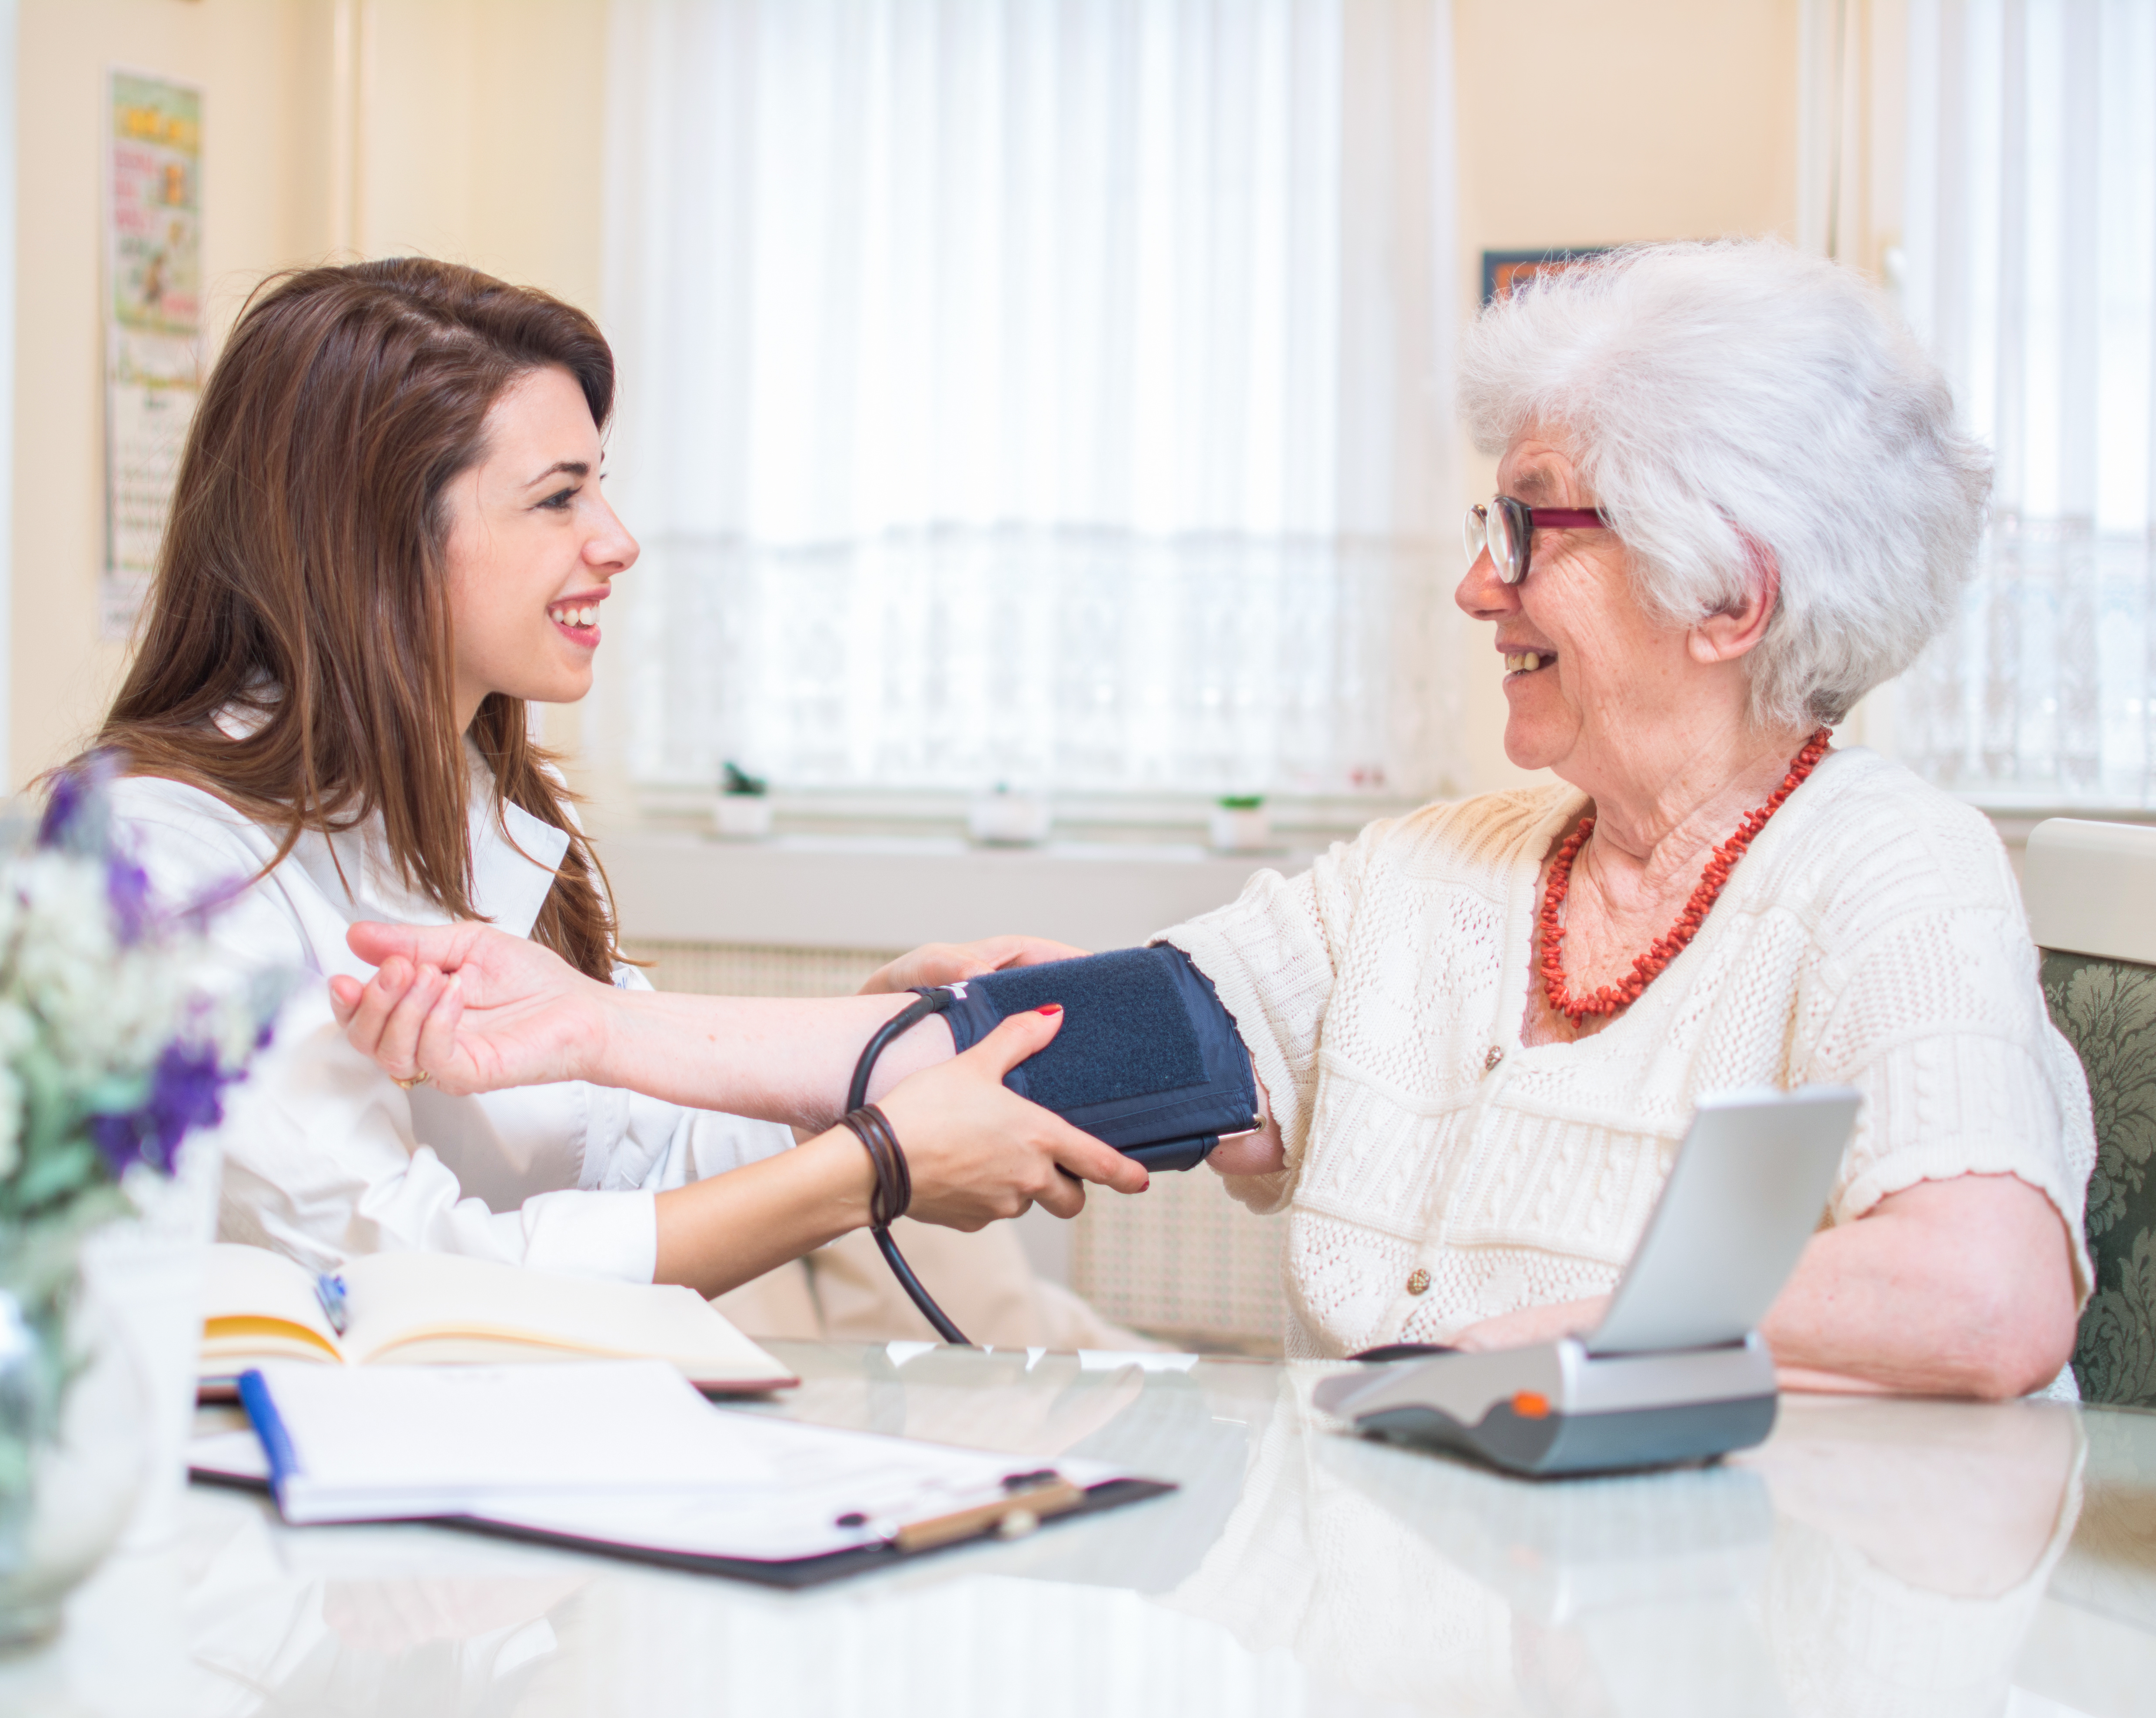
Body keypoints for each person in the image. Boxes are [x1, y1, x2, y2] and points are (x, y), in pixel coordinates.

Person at [335, 240, 2092, 1399]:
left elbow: (1991, 1296)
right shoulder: (1448, 871)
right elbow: (1046, 1053)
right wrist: (586, 1030)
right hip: (1405, 1591)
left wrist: (1547, 1339)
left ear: (1730, 598)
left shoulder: (1886, 869)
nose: (1479, 585)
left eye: (1535, 529)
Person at [77, 256, 1147, 1295]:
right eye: (558, 499)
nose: (618, 542)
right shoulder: (155, 864)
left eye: (602, 490)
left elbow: (642, 1154)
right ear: (375, 542)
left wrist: (868, 1046)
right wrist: (877, 1160)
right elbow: (397, 1266)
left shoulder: (483, 810)